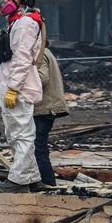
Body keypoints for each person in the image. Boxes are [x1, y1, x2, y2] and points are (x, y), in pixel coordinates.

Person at [0, 0, 45, 192]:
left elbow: (22, 59)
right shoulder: (18, 22)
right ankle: (32, 177)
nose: (2, 3)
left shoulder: (25, 24)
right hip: (14, 85)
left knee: (20, 135)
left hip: (18, 89)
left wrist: (13, 89)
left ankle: (18, 181)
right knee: (20, 133)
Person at [34, 45, 69, 186]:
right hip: (46, 107)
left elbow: (42, 78)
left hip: (44, 107)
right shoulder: (42, 50)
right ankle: (44, 182)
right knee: (38, 147)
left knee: (38, 148)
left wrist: (18, 76)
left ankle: (47, 183)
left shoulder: (38, 52)